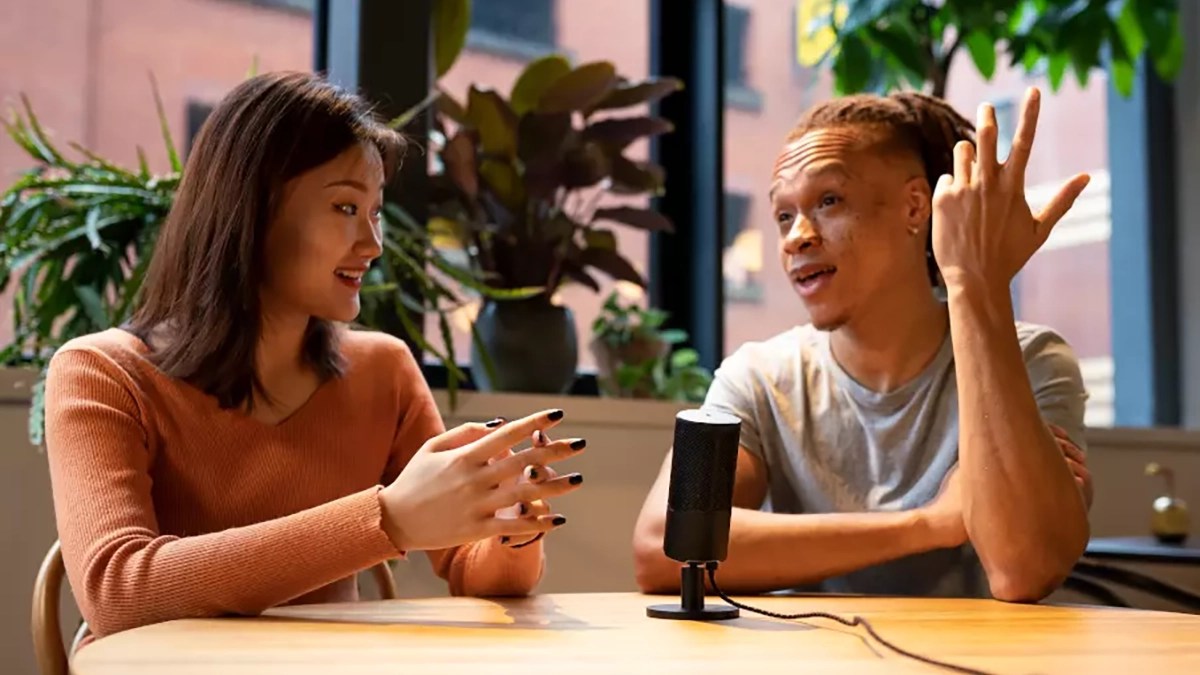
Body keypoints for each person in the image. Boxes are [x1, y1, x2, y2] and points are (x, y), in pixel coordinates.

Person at [44, 71, 585, 641]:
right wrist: (388, 520)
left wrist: (511, 530)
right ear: (250, 209)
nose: (373, 244)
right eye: (347, 208)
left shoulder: (385, 372)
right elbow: (117, 592)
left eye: (375, 212)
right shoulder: (102, 373)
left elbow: (474, 572)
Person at [633, 87, 1094, 602]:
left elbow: (1023, 569)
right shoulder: (760, 377)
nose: (795, 238)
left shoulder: (1034, 360)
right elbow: (663, 548)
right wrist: (928, 524)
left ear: (915, 207)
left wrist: (972, 279)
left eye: (829, 201)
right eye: (784, 215)